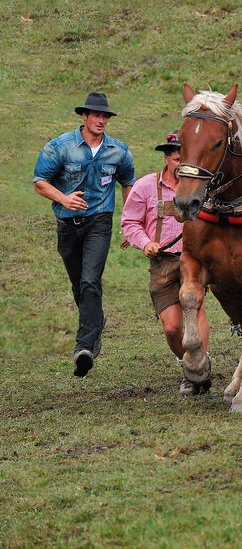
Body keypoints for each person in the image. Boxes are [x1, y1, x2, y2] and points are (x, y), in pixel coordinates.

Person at [33, 92, 136, 377]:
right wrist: (64, 198)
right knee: (80, 285)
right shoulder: (61, 147)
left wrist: (129, 222)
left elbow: (129, 184)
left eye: (105, 116)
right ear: (84, 117)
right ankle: (95, 320)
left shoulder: (118, 151)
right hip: (67, 225)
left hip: (99, 224)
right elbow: (39, 182)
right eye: (96, 115)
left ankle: (85, 348)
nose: (101, 120)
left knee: (91, 280)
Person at [121, 131, 210, 395]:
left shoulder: (200, 188)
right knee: (172, 327)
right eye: (175, 159)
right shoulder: (146, 186)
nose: (180, 164)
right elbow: (129, 222)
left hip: (193, 259)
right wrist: (145, 242)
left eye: (184, 159)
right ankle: (188, 364)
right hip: (162, 262)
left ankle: (199, 366)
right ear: (166, 159)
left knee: (195, 311)